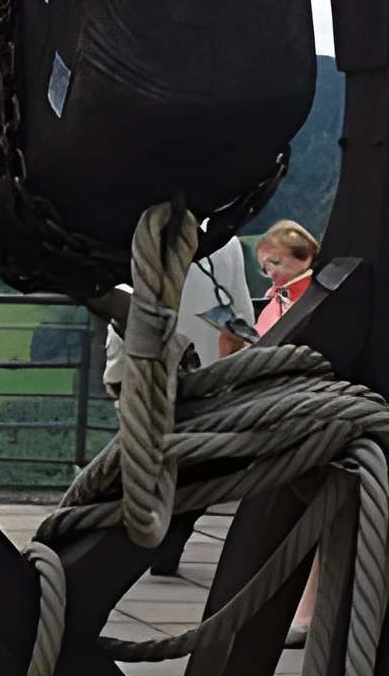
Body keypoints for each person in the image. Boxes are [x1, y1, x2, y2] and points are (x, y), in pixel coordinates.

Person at [102, 223, 257, 578]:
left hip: (143, 369)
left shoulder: (137, 235)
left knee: (142, 451)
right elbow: (241, 314)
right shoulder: (227, 244)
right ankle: (170, 539)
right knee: (188, 462)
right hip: (203, 373)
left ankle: (142, 532)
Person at [252, 218, 318, 338]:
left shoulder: (306, 296)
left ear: (305, 258)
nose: (270, 273)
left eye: (276, 262)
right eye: (265, 269)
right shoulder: (276, 293)